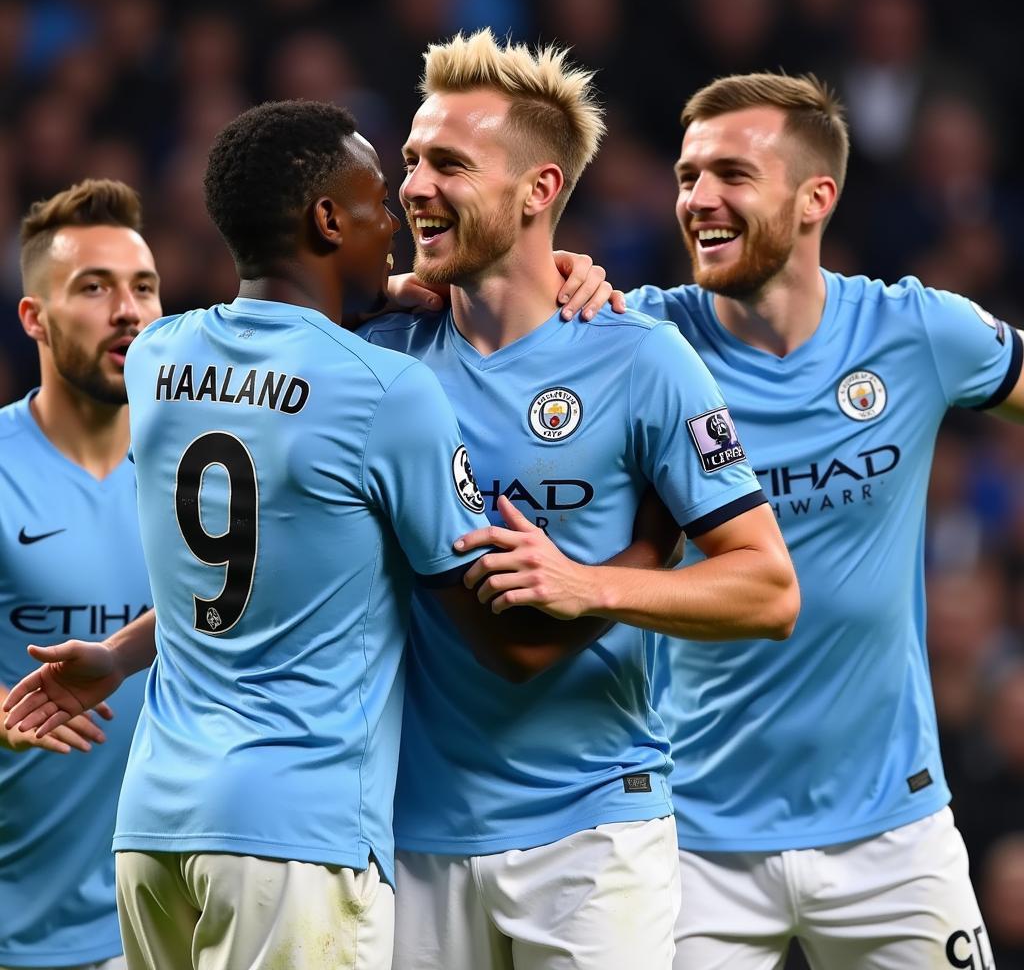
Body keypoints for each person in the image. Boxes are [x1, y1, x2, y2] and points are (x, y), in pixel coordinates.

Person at [1, 99, 652, 970]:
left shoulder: (160, 360)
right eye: (377, 199)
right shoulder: (386, 390)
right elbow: (514, 648)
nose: (396, 219)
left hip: (153, 825)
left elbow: (267, 558)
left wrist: (123, 655)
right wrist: (647, 550)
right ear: (325, 218)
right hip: (294, 836)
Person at [358, 30, 798, 970]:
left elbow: (767, 589)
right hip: (409, 827)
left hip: (595, 832)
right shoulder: (378, 354)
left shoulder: (639, 357)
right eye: (411, 161)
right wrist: (373, 292)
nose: (415, 188)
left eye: (449, 164)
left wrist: (594, 586)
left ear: (539, 190)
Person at [618, 73, 1023, 970]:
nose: (698, 200)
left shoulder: (914, 331)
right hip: (694, 833)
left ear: (816, 198)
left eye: (731, 174)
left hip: (894, 828)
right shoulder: (640, 345)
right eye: (687, 177)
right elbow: (488, 325)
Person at [0, 179, 162, 970]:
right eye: (93, 288)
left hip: (179, 921)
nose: (126, 310)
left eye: (142, 288)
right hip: (25, 927)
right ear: (35, 317)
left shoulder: (204, 473)